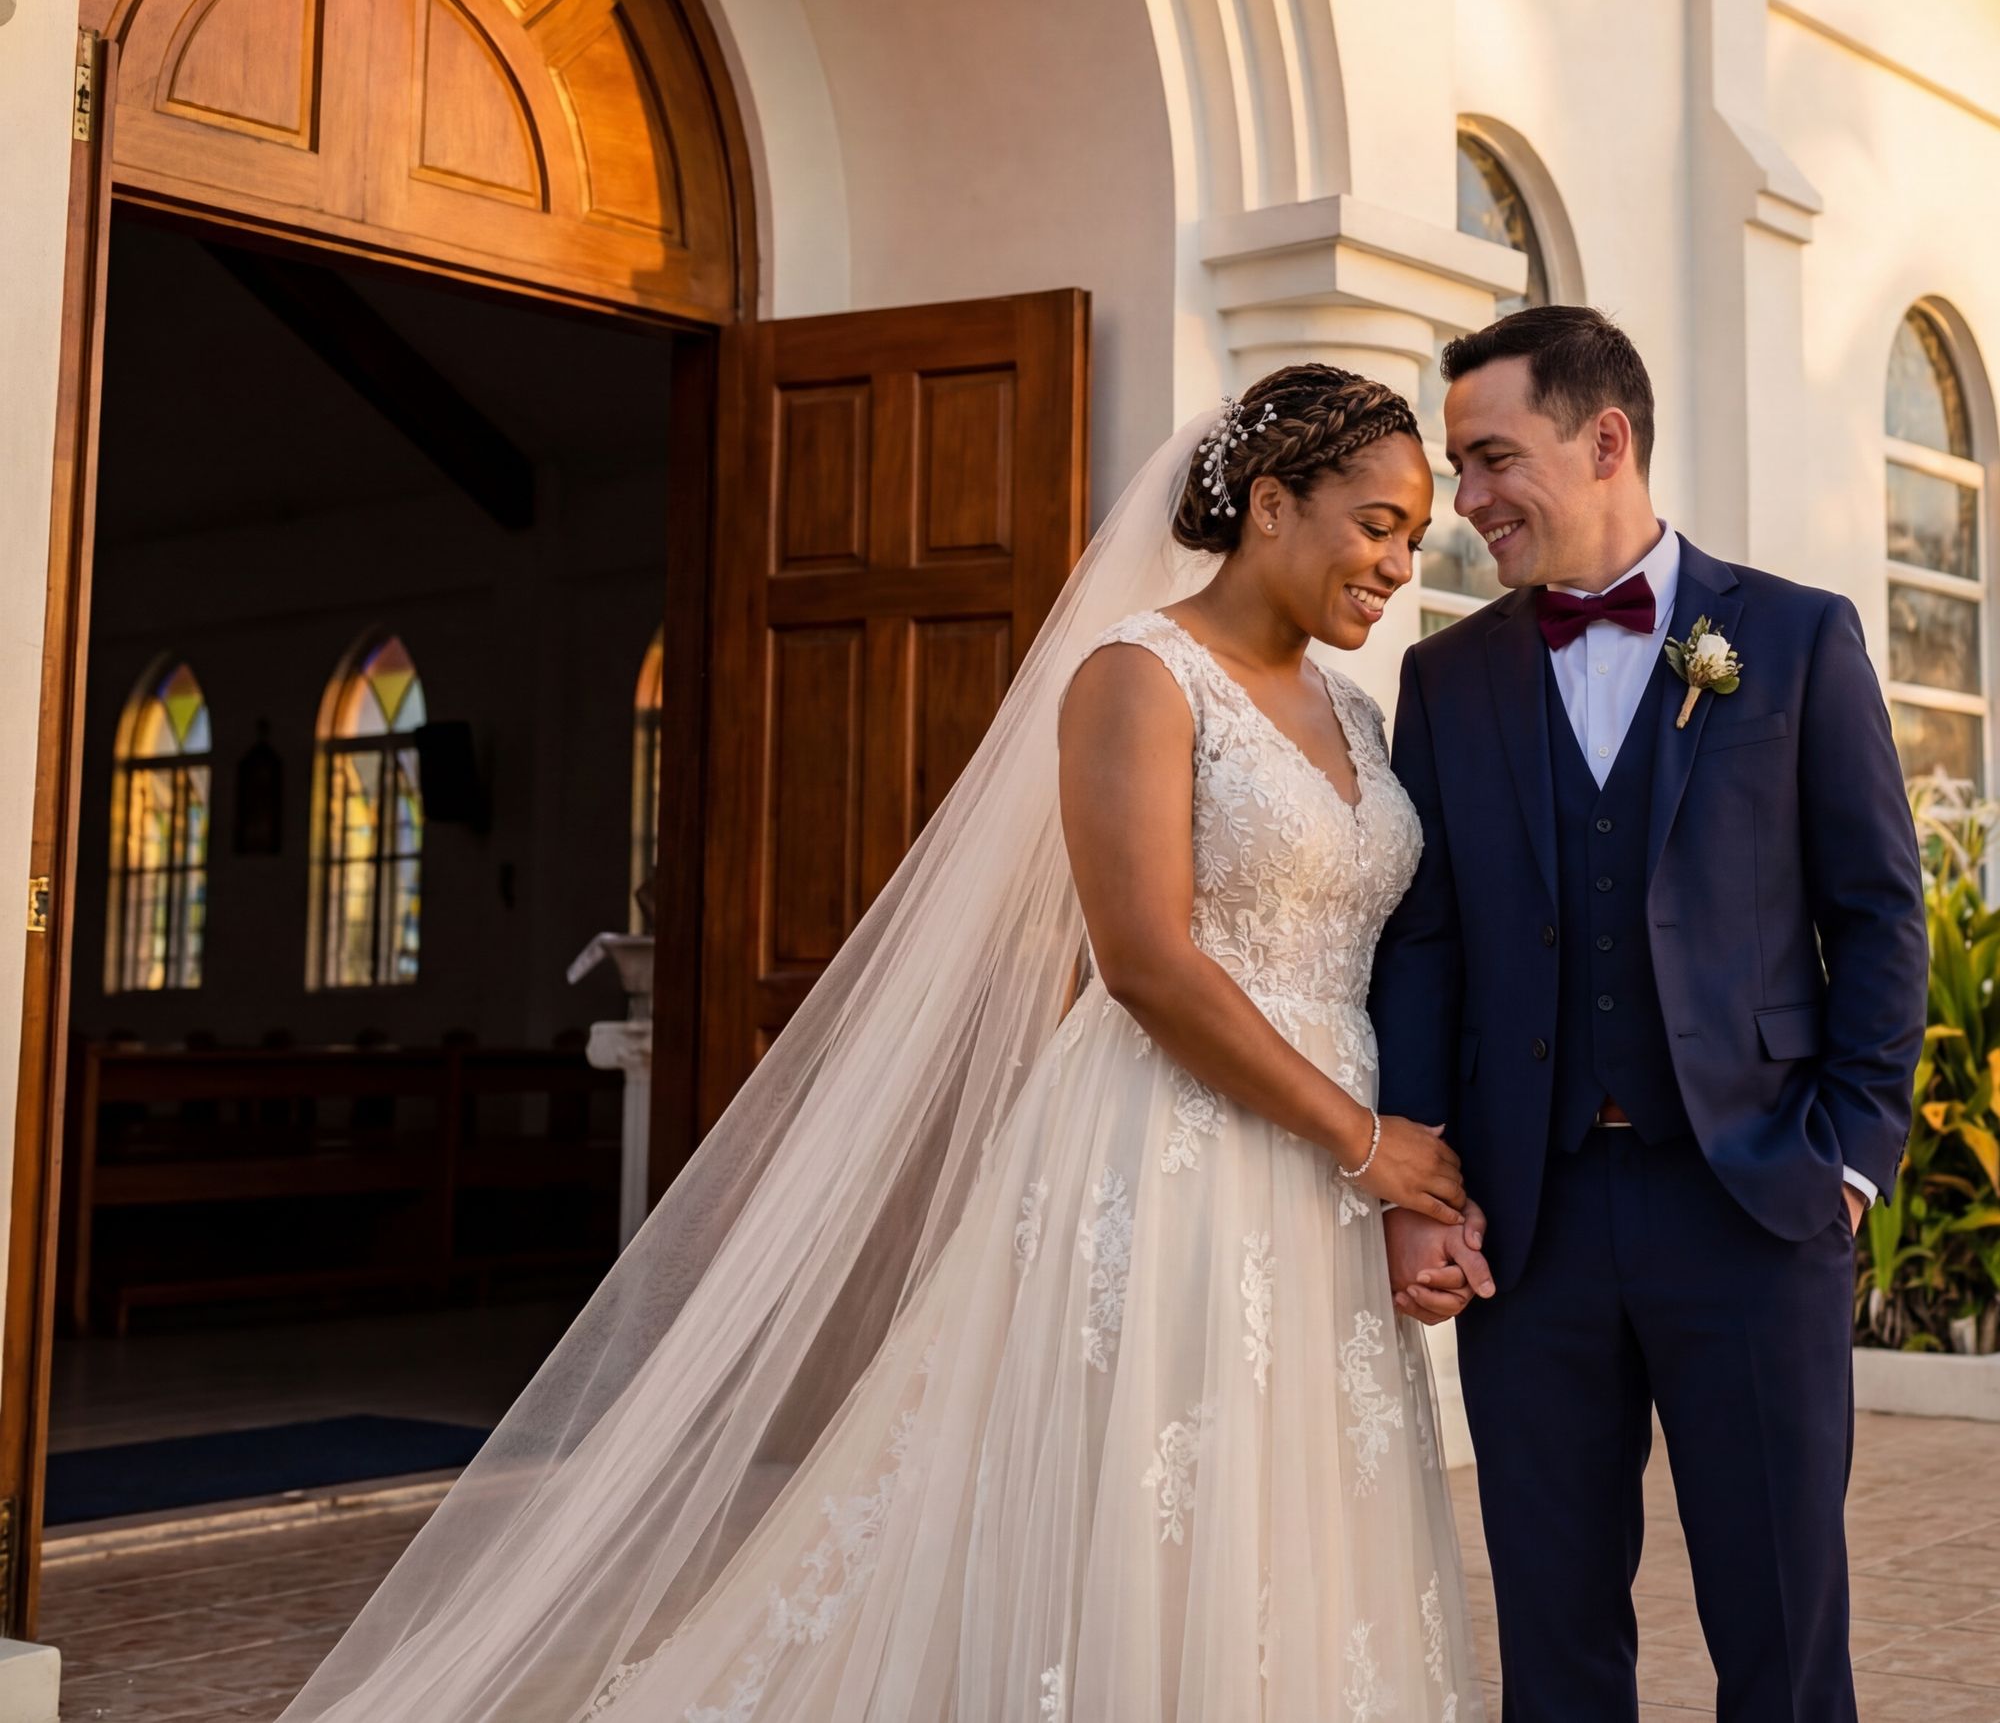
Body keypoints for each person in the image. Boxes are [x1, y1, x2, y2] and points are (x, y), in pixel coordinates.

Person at [274, 367, 1486, 1722]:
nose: (1399, 560)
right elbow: (1144, 962)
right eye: (1376, 523)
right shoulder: (1141, 677)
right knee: (1149, 1471)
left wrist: (1388, 1163)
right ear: (1271, 504)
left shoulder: (1358, 716)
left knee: (1287, 1493)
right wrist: (1364, 1140)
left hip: (1328, 1170)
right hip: (1178, 1142)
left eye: (1411, 536)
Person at [1373, 306, 1928, 1722]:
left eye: (1494, 457)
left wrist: (1851, 1159)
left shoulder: (1796, 639)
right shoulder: (1444, 678)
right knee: (1553, 1638)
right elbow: (1425, 944)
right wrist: (1421, 1181)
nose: (1470, 499)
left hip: (1753, 1206)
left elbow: (1876, 913)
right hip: (1533, 1221)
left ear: (1605, 437)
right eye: (1461, 464)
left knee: (1784, 1630)